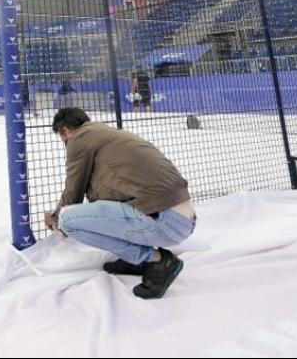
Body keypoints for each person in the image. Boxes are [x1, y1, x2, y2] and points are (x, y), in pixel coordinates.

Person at [44, 107, 195, 300]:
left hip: (164, 221)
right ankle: (134, 259)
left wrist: (56, 219)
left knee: (68, 219)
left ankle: (155, 260)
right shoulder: (108, 135)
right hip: (182, 221)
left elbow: (74, 190)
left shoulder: (79, 138)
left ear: (65, 130)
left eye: (62, 138)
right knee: (103, 210)